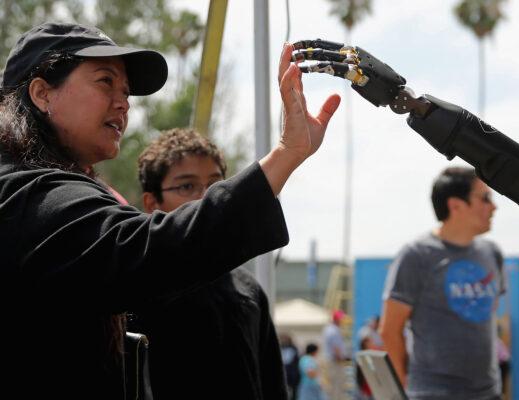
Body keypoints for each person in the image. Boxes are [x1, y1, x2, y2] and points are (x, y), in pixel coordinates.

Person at [0, 22, 340, 399]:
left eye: (126, 91)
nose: (123, 102)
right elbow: (149, 247)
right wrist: (285, 156)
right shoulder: (22, 193)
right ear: (42, 93)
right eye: (104, 81)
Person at [133, 128, 287, 399]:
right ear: (152, 202)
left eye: (216, 184)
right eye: (186, 186)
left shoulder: (247, 289)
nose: (206, 196)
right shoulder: (140, 285)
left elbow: (273, 383)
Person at [379, 166, 505, 400]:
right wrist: (402, 388)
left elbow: (488, 315)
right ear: (456, 205)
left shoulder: (492, 254)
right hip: (433, 394)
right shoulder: (416, 255)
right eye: (485, 198)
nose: (494, 206)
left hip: (489, 393)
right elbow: (389, 331)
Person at [321, 309, 348, 400]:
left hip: (331, 361)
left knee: (332, 388)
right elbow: (336, 349)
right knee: (337, 387)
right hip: (335, 362)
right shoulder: (334, 330)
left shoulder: (329, 329)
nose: (342, 320)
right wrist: (342, 359)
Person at [280, 333, 301, 400]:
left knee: (294, 393)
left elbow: (296, 362)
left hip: (292, 374)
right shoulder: (280, 348)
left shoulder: (294, 349)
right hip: (283, 374)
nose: (284, 341)